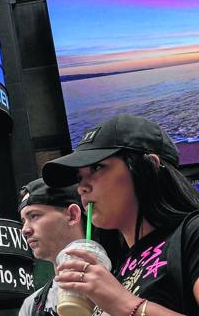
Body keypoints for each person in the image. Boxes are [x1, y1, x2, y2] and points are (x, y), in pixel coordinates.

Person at [42, 114, 199, 316]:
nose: (82, 187)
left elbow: (125, 305)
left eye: (97, 167)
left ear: (148, 166)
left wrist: (125, 305)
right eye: (78, 177)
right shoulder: (113, 267)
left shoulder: (191, 235)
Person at [18, 178, 85, 316]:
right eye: (23, 221)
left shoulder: (122, 280)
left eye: (34, 216)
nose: (24, 230)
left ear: (72, 215)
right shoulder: (32, 307)